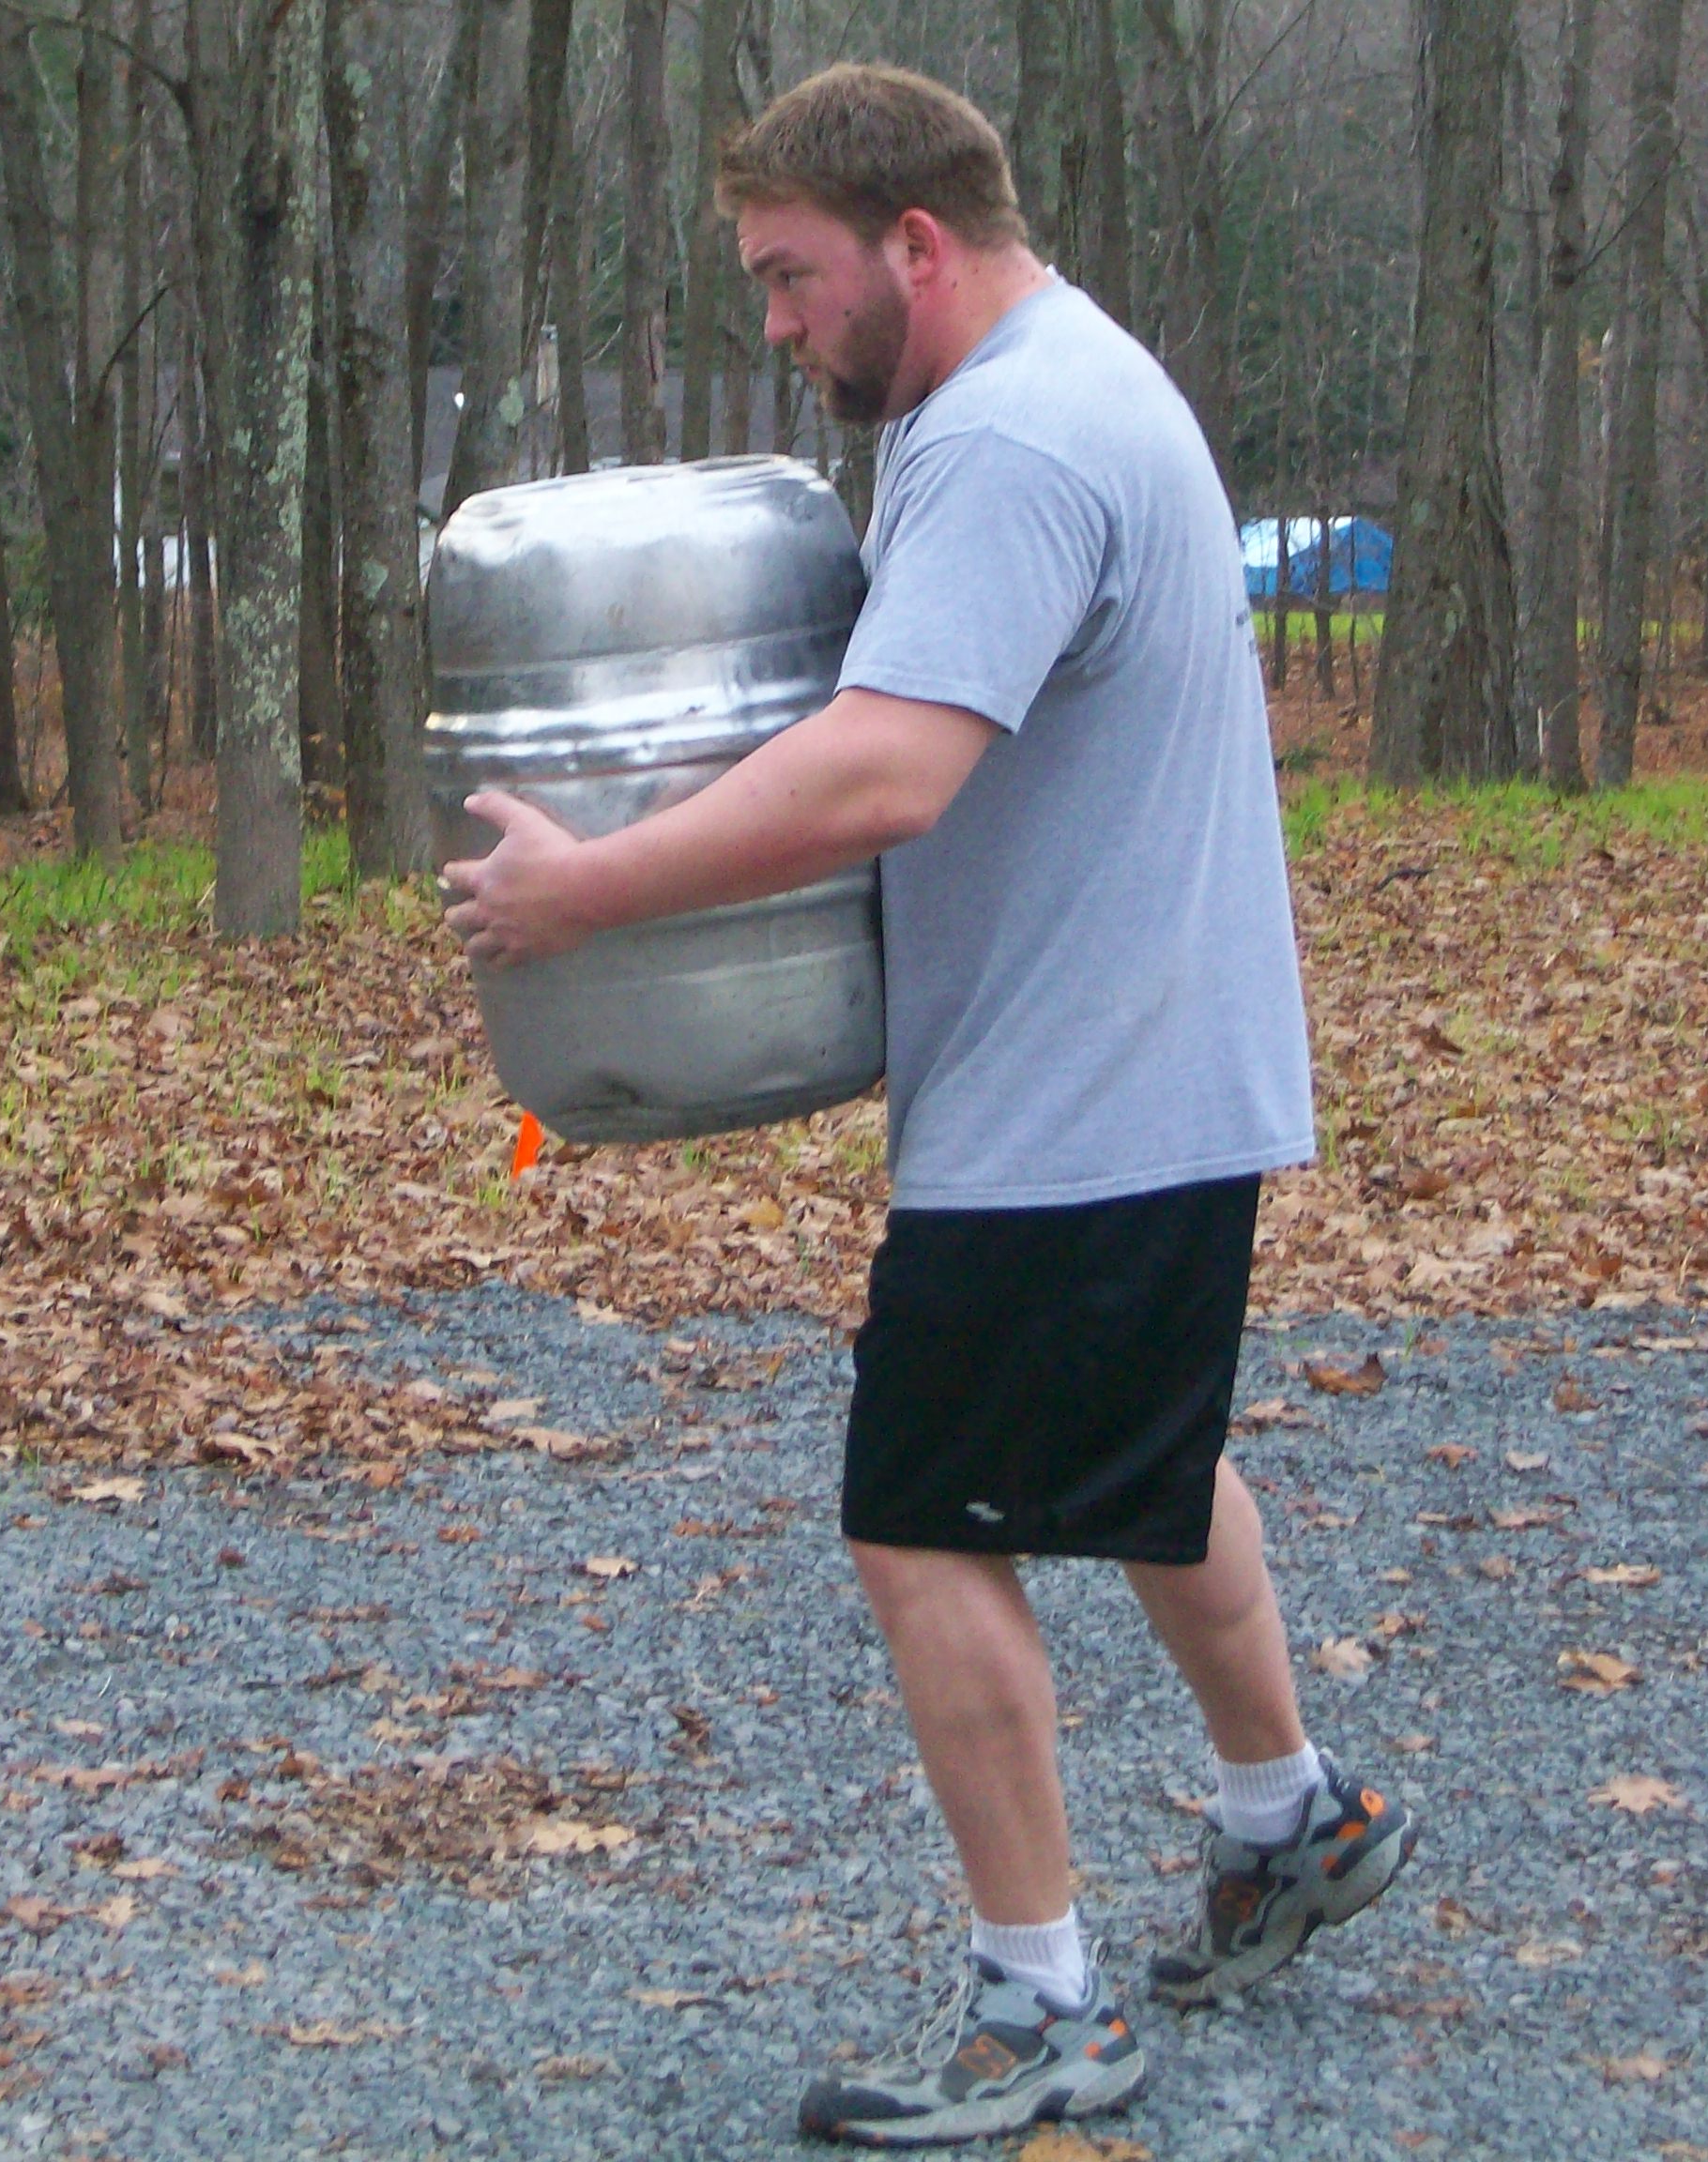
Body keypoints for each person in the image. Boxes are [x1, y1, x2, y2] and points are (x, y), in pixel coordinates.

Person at [440, 61, 1416, 2149]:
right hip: (1154, 1062)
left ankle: (1040, 2008)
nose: (777, 329)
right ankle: (1294, 1819)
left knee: (918, 1523)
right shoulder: (1080, 381)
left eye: (792, 281)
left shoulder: (1005, 438)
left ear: (914, 244)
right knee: (1140, 1472)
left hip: (1078, 1099)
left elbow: (888, 769)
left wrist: (589, 893)